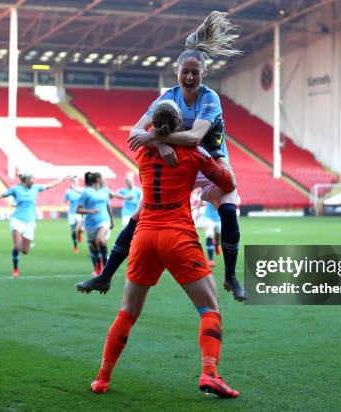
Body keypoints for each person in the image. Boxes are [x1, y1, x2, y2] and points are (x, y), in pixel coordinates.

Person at [76, 11, 247, 302]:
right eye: (186, 71)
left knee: (228, 211)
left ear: (203, 74)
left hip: (208, 163)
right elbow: (134, 131)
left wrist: (157, 138)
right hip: (178, 165)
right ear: (176, 71)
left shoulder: (210, 99)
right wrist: (161, 145)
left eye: (196, 72)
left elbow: (194, 139)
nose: (190, 76)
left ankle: (231, 276)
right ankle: (105, 276)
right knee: (138, 217)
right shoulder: (167, 96)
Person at [89, 99, 240, 398]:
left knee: (127, 312)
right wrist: (214, 156)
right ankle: (210, 374)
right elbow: (227, 181)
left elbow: (144, 136)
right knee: (210, 308)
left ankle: (102, 379)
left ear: (154, 126)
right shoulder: (193, 154)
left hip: (145, 235)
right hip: (177, 235)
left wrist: (158, 140)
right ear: (180, 125)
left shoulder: (143, 152)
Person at [0, 173, 66, 277]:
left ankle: (21, 247)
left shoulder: (36, 188)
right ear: (25, 181)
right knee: (16, 245)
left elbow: (50, 185)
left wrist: (62, 179)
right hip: (17, 219)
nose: (34, 181)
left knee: (25, 251)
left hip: (30, 221)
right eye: (32, 179)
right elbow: (1, 195)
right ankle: (15, 269)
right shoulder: (15, 189)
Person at [76, 172, 114, 276]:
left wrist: (111, 220)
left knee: (100, 240)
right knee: (94, 247)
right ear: (97, 179)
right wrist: (90, 211)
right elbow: (78, 210)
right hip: (90, 224)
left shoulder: (105, 190)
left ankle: (106, 267)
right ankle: (98, 265)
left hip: (103, 220)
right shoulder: (86, 192)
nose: (104, 179)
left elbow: (108, 206)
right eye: (102, 177)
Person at [198, 202, 222, 267]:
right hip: (208, 218)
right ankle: (211, 260)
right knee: (209, 235)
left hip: (219, 219)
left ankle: (216, 245)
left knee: (218, 238)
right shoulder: (208, 192)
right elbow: (201, 198)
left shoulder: (223, 193)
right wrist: (197, 208)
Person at [64, 176, 84, 253]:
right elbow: (65, 201)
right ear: (71, 181)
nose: (75, 182)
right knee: (73, 231)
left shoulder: (81, 190)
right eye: (73, 181)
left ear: (78, 181)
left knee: (78, 228)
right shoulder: (68, 192)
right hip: (71, 212)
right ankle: (75, 247)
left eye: (76, 180)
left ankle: (79, 233)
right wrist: (67, 207)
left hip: (79, 212)